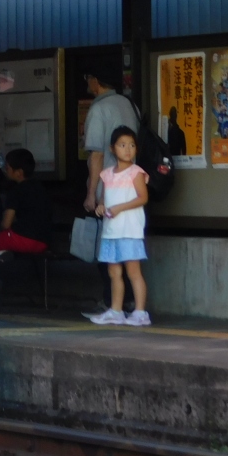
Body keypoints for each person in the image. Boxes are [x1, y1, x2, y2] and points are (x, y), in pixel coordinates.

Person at [87, 126, 151, 326]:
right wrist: (101, 207)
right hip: (111, 231)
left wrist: (119, 208)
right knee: (114, 272)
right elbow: (105, 200)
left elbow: (143, 198)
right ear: (112, 149)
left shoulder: (136, 172)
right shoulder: (106, 174)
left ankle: (140, 312)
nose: (128, 149)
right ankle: (116, 310)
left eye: (131, 145)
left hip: (129, 230)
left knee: (133, 272)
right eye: (122, 145)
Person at [81, 73, 139, 211]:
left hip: (107, 192)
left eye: (87, 79)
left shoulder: (98, 109)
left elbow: (97, 155)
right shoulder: (130, 105)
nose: (87, 82)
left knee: (108, 231)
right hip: (131, 186)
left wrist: (90, 195)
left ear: (95, 81)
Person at [0, 149, 52, 255]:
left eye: (7, 168)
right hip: (44, 241)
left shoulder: (16, 190)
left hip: (23, 239)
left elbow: (6, 224)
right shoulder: (40, 187)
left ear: (19, 173)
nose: (5, 170)